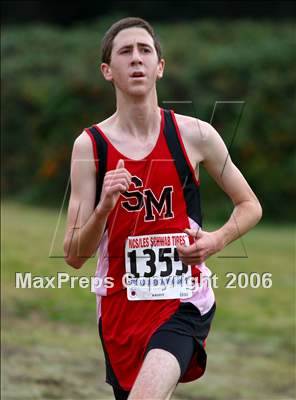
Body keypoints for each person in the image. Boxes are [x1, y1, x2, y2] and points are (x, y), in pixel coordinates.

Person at [63, 17, 262, 400]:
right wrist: (104, 206)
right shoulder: (90, 147)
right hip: (120, 309)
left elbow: (249, 205)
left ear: (160, 67)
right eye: (125, 51)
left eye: (145, 50)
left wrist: (215, 241)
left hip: (183, 300)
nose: (136, 59)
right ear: (107, 71)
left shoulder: (196, 135)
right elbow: (73, 255)